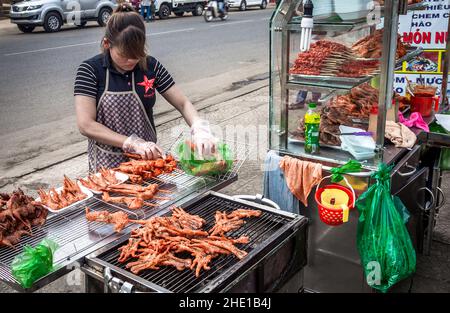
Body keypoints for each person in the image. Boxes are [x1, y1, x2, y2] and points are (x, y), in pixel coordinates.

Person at [74, 3, 216, 172]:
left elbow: (183, 103)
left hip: (148, 161)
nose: (132, 61)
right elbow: (86, 124)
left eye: (137, 54)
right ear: (107, 44)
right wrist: (131, 143)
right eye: (124, 56)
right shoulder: (90, 70)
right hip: (109, 166)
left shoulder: (151, 66)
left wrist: (199, 127)